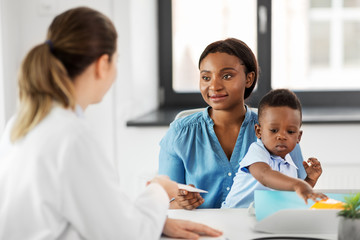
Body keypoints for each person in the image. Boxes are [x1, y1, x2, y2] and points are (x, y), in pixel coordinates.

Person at [0, 7, 222, 240]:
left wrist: (156, 221)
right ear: (102, 64)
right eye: (116, 60)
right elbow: (125, 235)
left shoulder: (20, 125)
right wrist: (158, 189)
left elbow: (94, 212)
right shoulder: (72, 136)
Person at [158, 38, 314, 209]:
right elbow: (163, 202)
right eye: (206, 77)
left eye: (227, 76)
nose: (214, 86)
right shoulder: (180, 133)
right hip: (200, 231)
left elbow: (298, 192)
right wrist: (180, 203)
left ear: (249, 78)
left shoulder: (279, 130)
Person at [222, 89, 327, 208]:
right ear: (258, 131)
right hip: (233, 215)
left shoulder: (290, 165)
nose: (282, 136)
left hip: (261, 216)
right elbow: (264, 175)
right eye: (274, 130)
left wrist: (310, 180)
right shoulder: (257, 151)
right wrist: (298, 184)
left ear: (298, 137)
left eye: (290, 131)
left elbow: (293, 194)